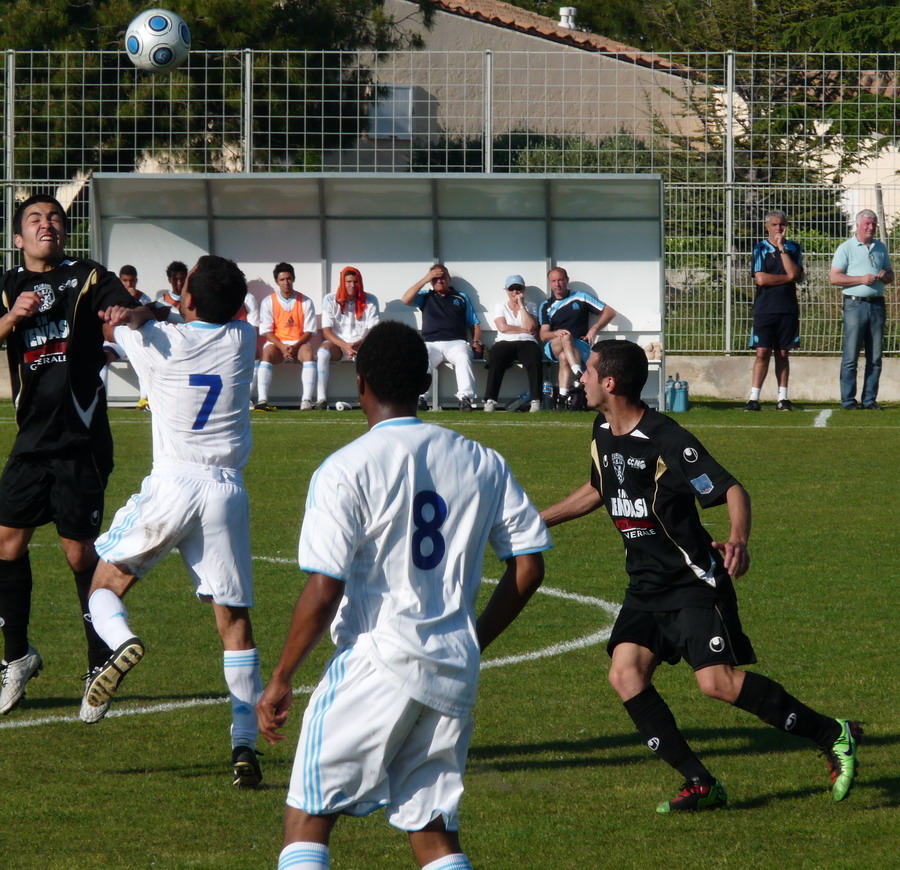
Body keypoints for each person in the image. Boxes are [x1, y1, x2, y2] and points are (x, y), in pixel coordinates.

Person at [257, 320, 550, 870]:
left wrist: (281, 677)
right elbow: (528, 566)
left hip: (378, 658)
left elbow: (324, 587)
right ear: (424, 380)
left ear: (360, 382)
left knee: (308, 818)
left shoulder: (346, 468)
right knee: (433, 830)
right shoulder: (481, 459)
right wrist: (473, 638)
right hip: (452, 667)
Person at [540, 339, 861, 812]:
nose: (580, 377)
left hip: (691, 582)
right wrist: (534, 522)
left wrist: (738, 540)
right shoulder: (601, 429)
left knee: (716, 683)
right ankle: (700, 782)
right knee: (625, 674)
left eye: (586, 370)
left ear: (609, 382)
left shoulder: (668, 440)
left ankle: (832, 733)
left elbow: (732, 488)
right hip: (645, 585)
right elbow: (597, 489)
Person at [83, 255, 265, 788]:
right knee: (234, 622)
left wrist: (135, 314)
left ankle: (120, 643)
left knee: (103, 589)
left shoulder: (159, 344)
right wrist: (153, 310)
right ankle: (245, 746)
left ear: (187, 299)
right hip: (226, 491)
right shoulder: (243, 340)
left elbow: (115, 323)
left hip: (173, 483)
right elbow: (184, 313)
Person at [0, 194, 137, 723]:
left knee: (80, 557)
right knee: (6, 544)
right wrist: (13, 316)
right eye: (34, 220)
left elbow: (131, 304)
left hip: (79, 442)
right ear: (18, 238)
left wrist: (127, 312)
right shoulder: (10, 285)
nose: (47, 225)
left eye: (55, 218)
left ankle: (98, 666)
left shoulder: (86, 275)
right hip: (31, 440)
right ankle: (17, 657)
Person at [829, 209, 894, 410]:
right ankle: (848, 400)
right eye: (867, 223)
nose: (871, 227)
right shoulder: (846, 248)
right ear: (858, 225)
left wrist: (886, 276)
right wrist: (861, 279)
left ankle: (869, 400)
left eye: (873, 224)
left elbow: (891, 275)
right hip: (854, 305)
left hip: (877, 304)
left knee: (875, 356)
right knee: (851, 355)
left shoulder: (880, 247)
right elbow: (834, 277)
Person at [745, 210, 804, 412]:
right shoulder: (760, 248)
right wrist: (788, 278)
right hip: (765, 308)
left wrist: (781, 249)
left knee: (783, 353)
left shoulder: (793, 248)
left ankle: (783, 398)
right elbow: (761, 279)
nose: (778, 228)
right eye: (775, 225)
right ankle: (754, 397)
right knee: (762, 352)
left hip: (787, 308)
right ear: (767, 226)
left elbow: (796, 273)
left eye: (782, 224)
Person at [402, 264, 482, 411]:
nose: (439, 281)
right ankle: (420, 398)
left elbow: (474, 323)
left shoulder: (461, 297)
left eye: (442, 277)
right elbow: (406, 300)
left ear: (448, 279)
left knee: (463, 357)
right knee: (421, 358)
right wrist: (425, 279)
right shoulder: (426, 296)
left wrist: (476, 341)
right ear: (431, 281)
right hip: (431, 343)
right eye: (435, 278)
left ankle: (465, 398)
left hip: (456, 342)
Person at [539, 267, 616, 409]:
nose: (557, 284)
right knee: (566, 337)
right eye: (554, 281)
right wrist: (557, 333)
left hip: (579, 345)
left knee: (564, 358)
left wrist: (594, 329)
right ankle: (578, 373)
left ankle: (562, 398)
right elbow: (543, 335)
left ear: (567, 280)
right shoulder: (546, 305)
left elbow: (609, 312)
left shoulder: (581, 297)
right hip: (554, 345)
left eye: (560, 280)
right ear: (550, 283)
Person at [315, 266, 380, 409]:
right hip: (338, 345)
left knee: (377, 351)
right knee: (322, 352)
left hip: (362, 343)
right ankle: (321, 399)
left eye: (356, 282)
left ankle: (369, 399)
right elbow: (326, 331)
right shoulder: (330, 299)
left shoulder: (370, 299)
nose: (352, 285)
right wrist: (345, 345)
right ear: (342, 283)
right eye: (349, 282)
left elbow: (373, 329)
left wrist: (361, 342)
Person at [255, 262, 317, 411]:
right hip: (278, 345)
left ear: (293, 279)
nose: (286, 283)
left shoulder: (306, 301)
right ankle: (262, 400)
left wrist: (294, 347)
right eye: (282, 280)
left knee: (308, 353)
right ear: (277, 281)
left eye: (289, 278)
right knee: (267, 353)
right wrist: (282, 347)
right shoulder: (268, 301)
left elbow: (309, 331)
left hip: (298, 343)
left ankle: (306, 401)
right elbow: (267, 331)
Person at [483, 275, 543, 413]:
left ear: (523, 290)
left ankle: (535, 400)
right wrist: (524, 329)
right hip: (505, 341)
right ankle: (490, 400)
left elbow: (532, 326)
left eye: (518, 288)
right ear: (506, 290)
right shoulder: (500, 306)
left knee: (534, 359)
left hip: (527, 341)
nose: (515, 292)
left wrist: (521, 306)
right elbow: (502, 327)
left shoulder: (531, 306)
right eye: (512, 289)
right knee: (496, 359)